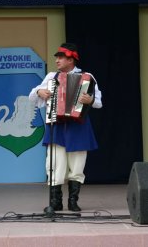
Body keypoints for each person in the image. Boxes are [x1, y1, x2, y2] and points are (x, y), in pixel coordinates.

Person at [29, 43, 102, 211]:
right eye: (57, 57)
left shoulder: (87, 76)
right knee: (55, 163)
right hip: (57, 125)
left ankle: (73, 201)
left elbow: (98, 101)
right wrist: (40, 92)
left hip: (78, 126)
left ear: (71, 59)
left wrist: (89, 100)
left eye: (60, 57)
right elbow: (33, 95)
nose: (57, 61)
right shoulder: (51, 77)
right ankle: (56, 201)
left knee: (77, 165)